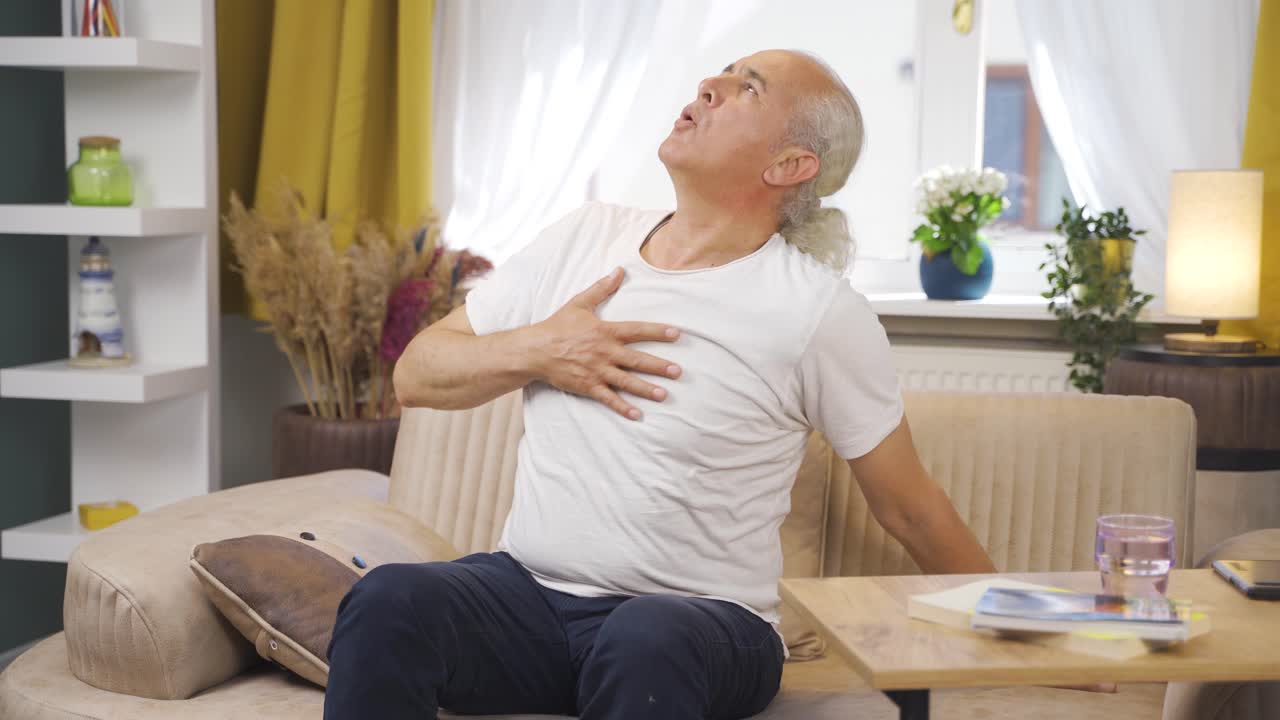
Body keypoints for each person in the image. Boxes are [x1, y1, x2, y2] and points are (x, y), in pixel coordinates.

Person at [324, 48, 996, 720]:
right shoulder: (584, 238)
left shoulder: (818, 312)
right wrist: (542, 348)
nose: (711, 85)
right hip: (526, 597)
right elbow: (417, 374)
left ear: (789, 166)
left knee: (643, 639)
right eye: (721, 74)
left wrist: (1032, 632)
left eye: (747, 89)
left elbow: (910, 508)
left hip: (703, 625)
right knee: (389, 602)